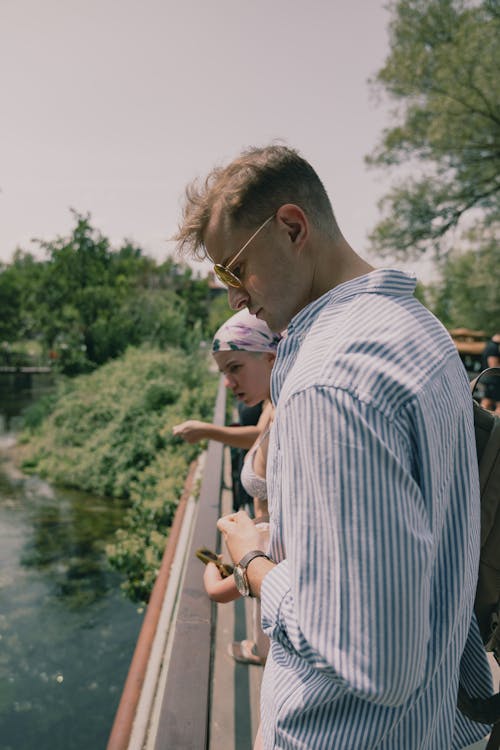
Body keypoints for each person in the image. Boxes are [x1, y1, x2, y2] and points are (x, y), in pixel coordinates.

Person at [174, 145, 493, 749]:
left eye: (235, 270)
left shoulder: (329, 381)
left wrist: (254, 564)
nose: (235, 297)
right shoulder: (417, 327)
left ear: (292, 227)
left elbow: (376, 660)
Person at [174, 308, 279, 665]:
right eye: (223, 372)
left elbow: (297, 540)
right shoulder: (274, 402)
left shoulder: (291, 417)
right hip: (263, 568)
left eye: (235, 368)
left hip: (268, 573)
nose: (228, 383)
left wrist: (235, 579)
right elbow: (258, 436)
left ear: (271, 356)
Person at [480, 333, 500, 415]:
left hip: (489, 379)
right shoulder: (493, 348)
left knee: (486, 402)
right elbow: (493, 366)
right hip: (494, 381)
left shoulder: (489, 345)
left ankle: (479, 423)